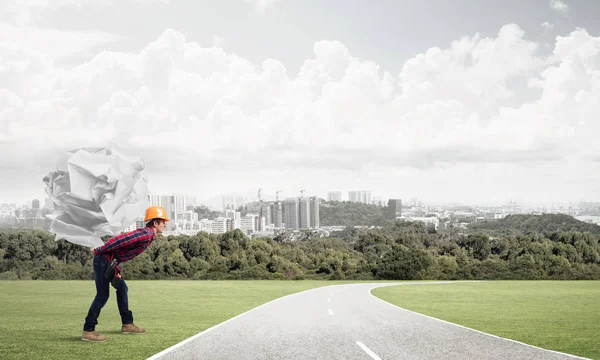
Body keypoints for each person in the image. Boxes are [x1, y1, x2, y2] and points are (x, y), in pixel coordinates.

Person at [81, 205, 169, 342]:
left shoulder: (149, 235)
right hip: (103, 259)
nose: (165, 224)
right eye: (164, 222)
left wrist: (116, 265)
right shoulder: (146, 234)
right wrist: (100, 250)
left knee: (122, 288)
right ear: (155, 223)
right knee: (102, 295)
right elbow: (121, 240)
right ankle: (88, 330)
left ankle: (127, 324)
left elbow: (122, 249)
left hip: (110, 261)